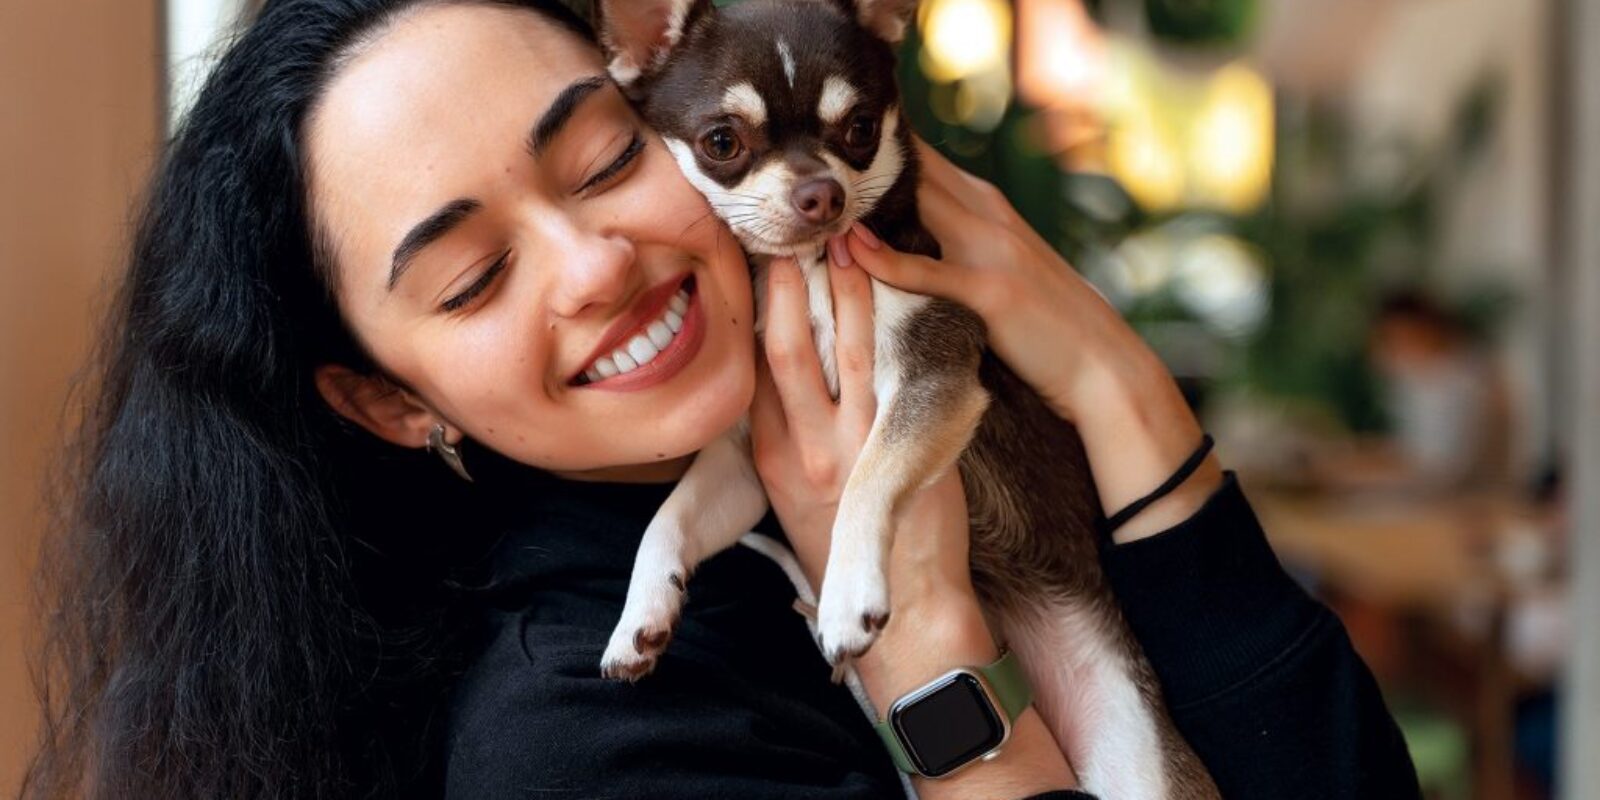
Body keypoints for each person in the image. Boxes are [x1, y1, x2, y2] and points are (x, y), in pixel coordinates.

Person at [23, 0, 1420, 798]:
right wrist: (928, 649)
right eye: (471, 279)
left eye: (598, 161)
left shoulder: (955, 425)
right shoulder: (581, 742)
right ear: (393, 403)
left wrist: (1118, 384)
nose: (595, 262)